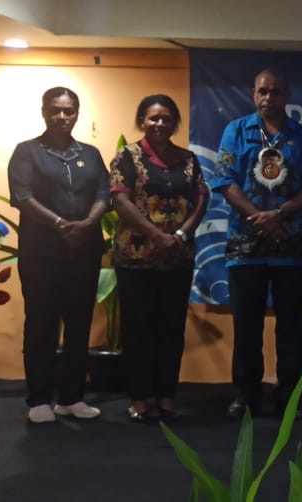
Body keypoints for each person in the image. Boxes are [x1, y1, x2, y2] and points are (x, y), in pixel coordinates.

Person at [210, 69, 302, 419]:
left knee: (291, 328)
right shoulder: (235, 131)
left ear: (286, 95)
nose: (269, 98)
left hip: (293, 248)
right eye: (263, 91)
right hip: (245, 248)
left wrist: (279, 214)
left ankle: (289, 396)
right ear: (253, 94)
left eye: (276, 92)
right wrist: (259, 219)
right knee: (247, 326)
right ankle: (246, 395)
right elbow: (225, 181)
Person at [8, 87, 110, 423]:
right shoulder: (27, 151)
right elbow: (22, 197)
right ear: (44, 112)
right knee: (41, 323)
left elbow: (104, 193)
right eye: (55, 110)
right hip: (41, 253)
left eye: (69, 110)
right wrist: (61, 224)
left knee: (79, 323)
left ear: (77, 114)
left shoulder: (90, 154)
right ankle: (39, 399)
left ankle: (71, 398)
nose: (62, 116)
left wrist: (87, 224)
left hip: (84, 251)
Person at [109, 94, 209, 422]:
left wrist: (179, 236)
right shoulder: (127, 156)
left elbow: (201, 199)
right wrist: (156, 235)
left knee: (171, 328)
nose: (160, 123)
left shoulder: (188, 159)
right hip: (135, 258)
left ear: (175, 122)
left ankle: (166, 397)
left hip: (177, 258)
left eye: (166, 118)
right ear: (142, 120)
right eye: (153, 117)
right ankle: (139, 399)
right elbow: (120, 200)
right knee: (137, 328)